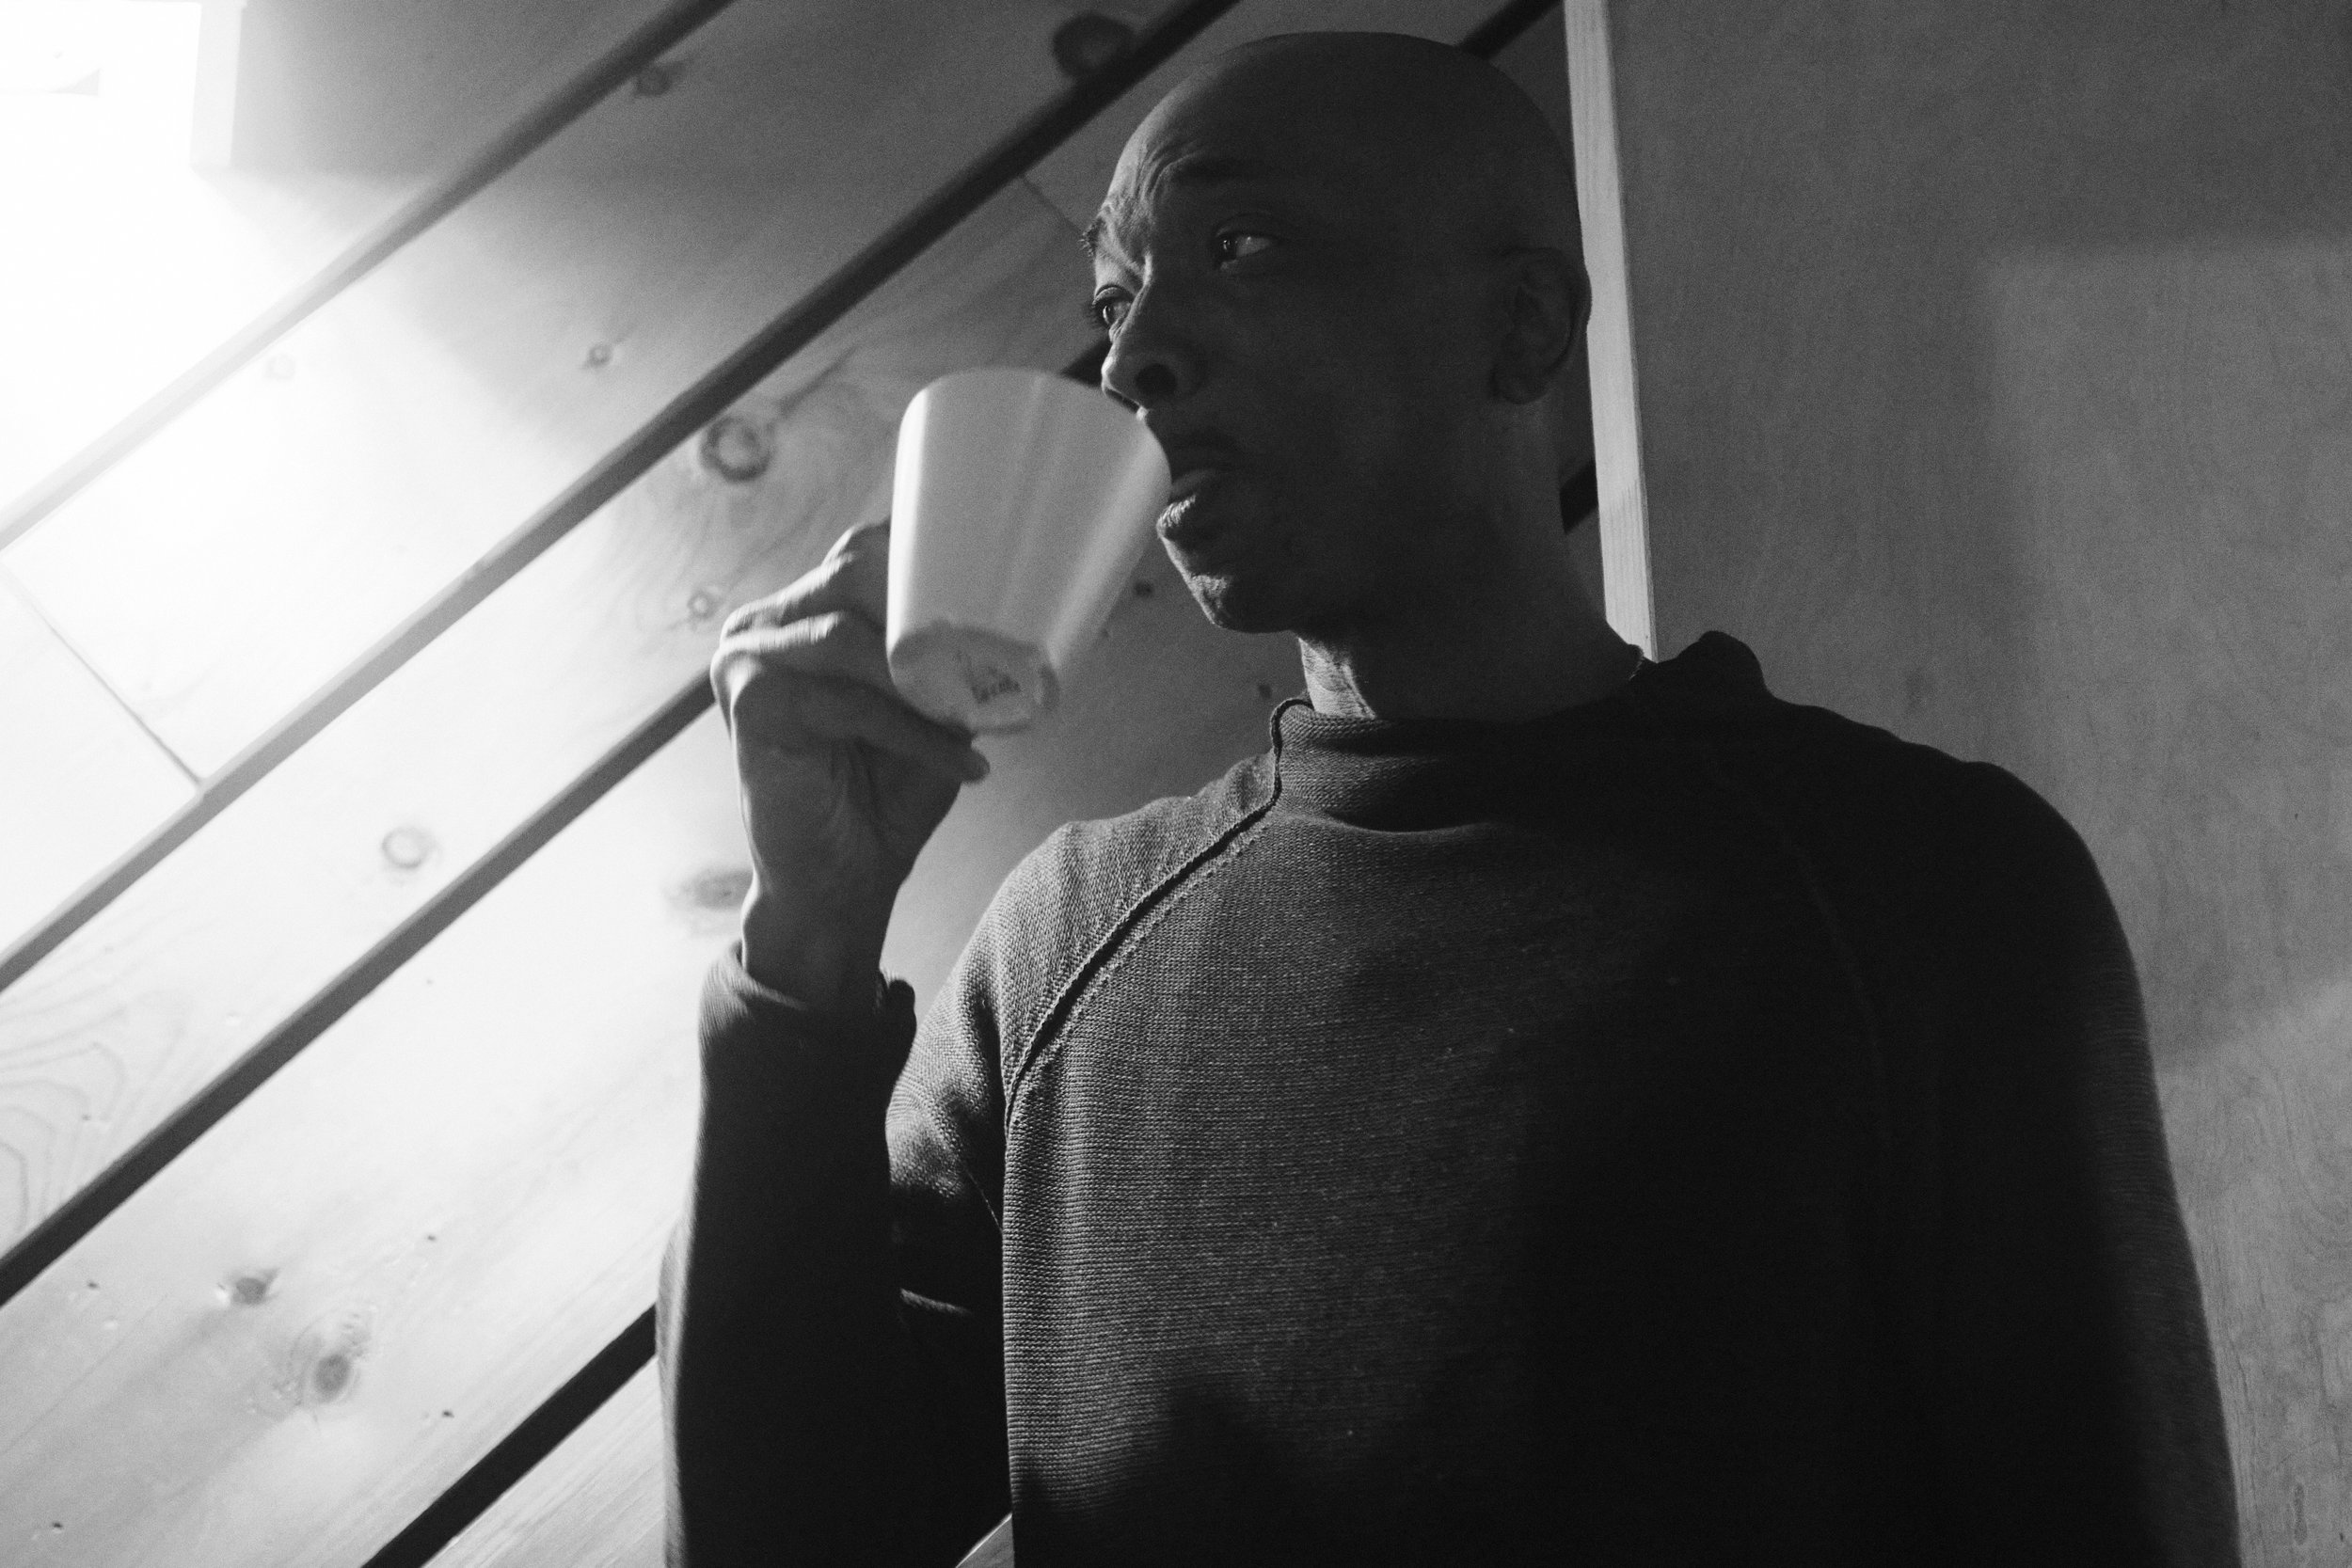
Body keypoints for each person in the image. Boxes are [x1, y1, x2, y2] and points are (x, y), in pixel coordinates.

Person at [659, 31, 2240, 1567]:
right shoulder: (1058, 945)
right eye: (1116, 300)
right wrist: (805, 943)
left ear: (1524, 330)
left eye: (1243, 244)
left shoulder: (1924, 886)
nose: (1135, 359)